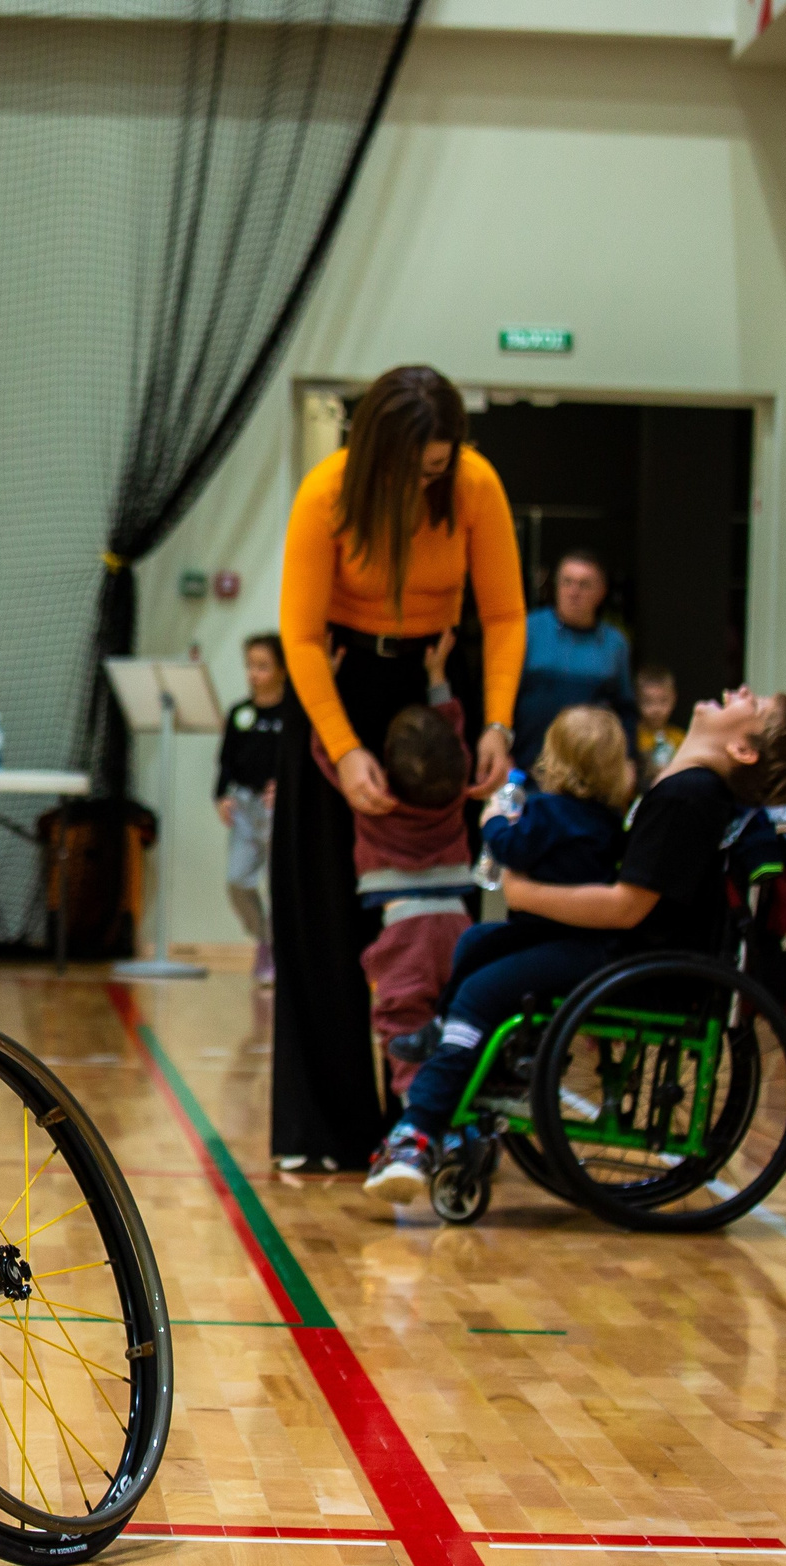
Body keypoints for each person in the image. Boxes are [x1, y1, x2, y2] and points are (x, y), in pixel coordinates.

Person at [367, 687, 786, 1203]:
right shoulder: (685, 790)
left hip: (634, 961)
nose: (739, 691)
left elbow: (626, 907)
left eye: (753, 704)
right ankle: (471, 1071)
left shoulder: (689, 797)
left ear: (743, 749)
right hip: (633, 953)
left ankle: (417, 1132)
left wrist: (527, 895)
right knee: (482, 941)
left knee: (482, 992)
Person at [273, 366, 524, 1170]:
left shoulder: (475, 485)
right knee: (323, 913)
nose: (426, 481)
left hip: (435, 687)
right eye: (413, 468)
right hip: (340, 687)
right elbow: (299, 637)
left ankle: (432, 1116)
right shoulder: (326, 492)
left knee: (435, 918)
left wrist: (497, 723)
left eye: (437, 467)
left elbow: (505, 614)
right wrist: (345, 749)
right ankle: (327, 1132)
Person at [388, 702, 633, 1067]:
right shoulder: (610, 822)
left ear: (553, 760)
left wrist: (493, 821)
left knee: (477, 946)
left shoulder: (547, 809)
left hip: (540, 930)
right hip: (583, 938)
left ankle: (444, 1025)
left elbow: (512, 850)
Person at [300, 632, 470, 1146]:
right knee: (457, 1025)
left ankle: (415, 1123)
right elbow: (454, 727)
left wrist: (328, 686)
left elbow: (329, 752)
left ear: (387, 765)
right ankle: (461, 1121)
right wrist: (437, 677)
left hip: (404, 930)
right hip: (459, 925)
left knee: (403, 1024)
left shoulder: (374, 798)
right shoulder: (456, 792)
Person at [214, 633, 292, 985]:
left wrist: (287, 788)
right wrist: (221, 796)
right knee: (237, 879)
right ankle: (263, 938)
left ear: (281, 670)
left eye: (263, 666)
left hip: (278, 809)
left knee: (281, 885)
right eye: (250, 666)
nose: (254, 674)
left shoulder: (293, 714)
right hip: (245, 807)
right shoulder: (240, 713)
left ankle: (277, 951)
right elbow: (225, 762)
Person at [511, 550, 633, 772]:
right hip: (526, 764)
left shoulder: (615, 643)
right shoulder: (529, 629)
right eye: (567, 582)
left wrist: (629, 760)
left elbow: (625, 710)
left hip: (591, 769)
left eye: (584, 585)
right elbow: (503, 694)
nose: (573, 592)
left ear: (601, 592)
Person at [635, 663, 684, 775]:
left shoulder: (679, 738)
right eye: (648, 702)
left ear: (674, 698)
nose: (656, 709)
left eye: (663, 701)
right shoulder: (632, 737)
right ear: (637, 700)